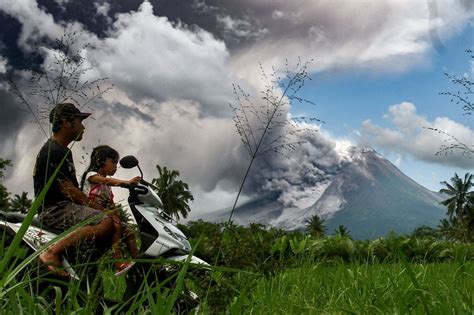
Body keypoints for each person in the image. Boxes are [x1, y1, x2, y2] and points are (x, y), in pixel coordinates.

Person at [33, 103, 116, 277]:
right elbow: (68, 190)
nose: (83, 126)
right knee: (105, 221)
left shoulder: (63, 151)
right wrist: (101, 210)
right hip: (55, 209)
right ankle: (51, 253)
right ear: (66, 122)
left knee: (114, 227)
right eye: (79, 121)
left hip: (64, 207)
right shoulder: (53, 150)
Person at [80, 145, 141, 265]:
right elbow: (107, 180)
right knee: (117, 227)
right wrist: (126, 182)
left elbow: (111, 204)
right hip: (90, 213)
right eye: (113, 162)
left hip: (105, 215)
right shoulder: (91, 175)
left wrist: (117, 216)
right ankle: (118, 262)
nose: (115, 166)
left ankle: (138, 262)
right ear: (101, 161)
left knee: (129, 231)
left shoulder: (107, 187)